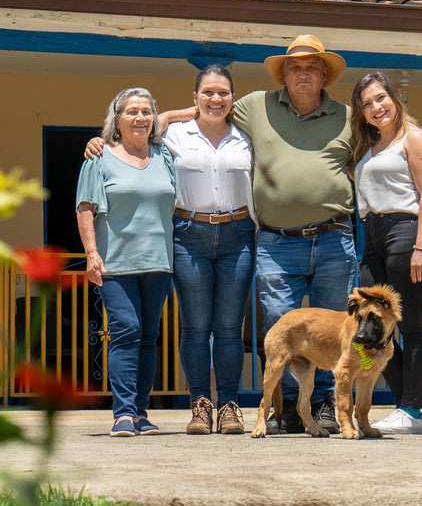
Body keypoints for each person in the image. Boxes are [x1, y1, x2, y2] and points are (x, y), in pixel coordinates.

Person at [146, 35, 356, 434]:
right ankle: (284, 406)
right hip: (267, 240)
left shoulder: (345, 116)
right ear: (284, 74)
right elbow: (205, 111)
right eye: (295, 67)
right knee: (272, 327)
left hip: (323, 237)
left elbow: (375, 152)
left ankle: (324, 404)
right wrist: (144, 124)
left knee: (331, 327)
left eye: (312, 67)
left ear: (325, 74)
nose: (303, 73)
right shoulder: (255, 106)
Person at [76, 87, 176, 437]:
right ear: (116, 119)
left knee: (149, 336)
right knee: (127, 331)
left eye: (147, 112)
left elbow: (192, 114)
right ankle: (122, 413)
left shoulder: (164, 156)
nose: (140, 118)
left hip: (159, 262)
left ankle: (140, 412)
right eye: (131, 112)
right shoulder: (98, 158)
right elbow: (85, 208)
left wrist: (188, 110)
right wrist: (91, 255)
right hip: (115, 263)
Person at [163, 65, 255, 435]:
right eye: (208, 93)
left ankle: (230, 406)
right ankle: (200, 405)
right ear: (195, 97)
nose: (216, 99)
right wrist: (175, 114)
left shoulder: (246, 136)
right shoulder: (174, 133)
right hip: (189, 233)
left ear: (233, 98)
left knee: (231, 328)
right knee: (196, 328)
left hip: (238, 232)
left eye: (223, 93)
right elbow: (135, 126)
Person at [350, 71, 422, 435]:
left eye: (380, 98)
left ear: (394, 98)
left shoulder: (413, 138)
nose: (376, 107)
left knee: (411, 326)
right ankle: (406, 406)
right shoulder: (367, 148)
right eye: (367, 104)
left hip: (406, 231)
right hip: (371, 236)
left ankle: (413, 410)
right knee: (368, 328)